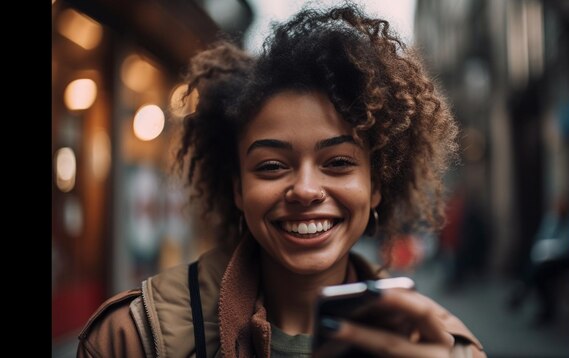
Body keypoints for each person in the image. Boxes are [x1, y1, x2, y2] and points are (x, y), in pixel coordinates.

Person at [77, 4, 485, 357]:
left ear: (376, 184)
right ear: (237, 187)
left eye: (338, 162)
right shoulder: (131, 339)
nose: (305, 190)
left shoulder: (449, 349)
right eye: (272, 166)